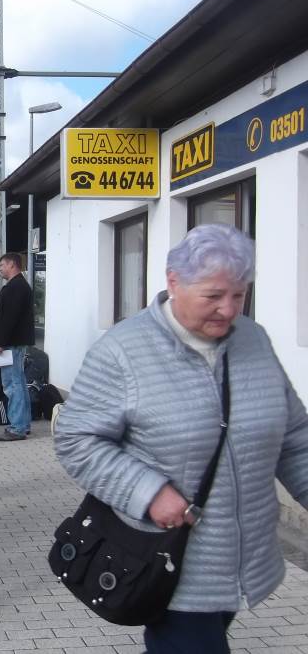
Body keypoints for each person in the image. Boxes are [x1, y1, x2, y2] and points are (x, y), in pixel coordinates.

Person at [55, 224, 308, 652]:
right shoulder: (123, 350)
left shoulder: (254, 340)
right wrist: (148, 492)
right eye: (213, 295)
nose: (228, 310)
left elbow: (295, 436)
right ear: (174, 282)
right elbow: (76, 440)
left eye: (239, 294)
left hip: (243, 559)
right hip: (167, 559)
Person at [0, 253, 35, 442]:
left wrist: (0, 341)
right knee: (19, 383)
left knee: (12, 385)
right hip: (16, 342)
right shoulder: (20, 285)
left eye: (2, 265)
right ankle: (23, 424)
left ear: (12, 265)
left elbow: (10, 317)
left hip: (11, 343)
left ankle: (17, 427)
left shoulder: (15, 287)